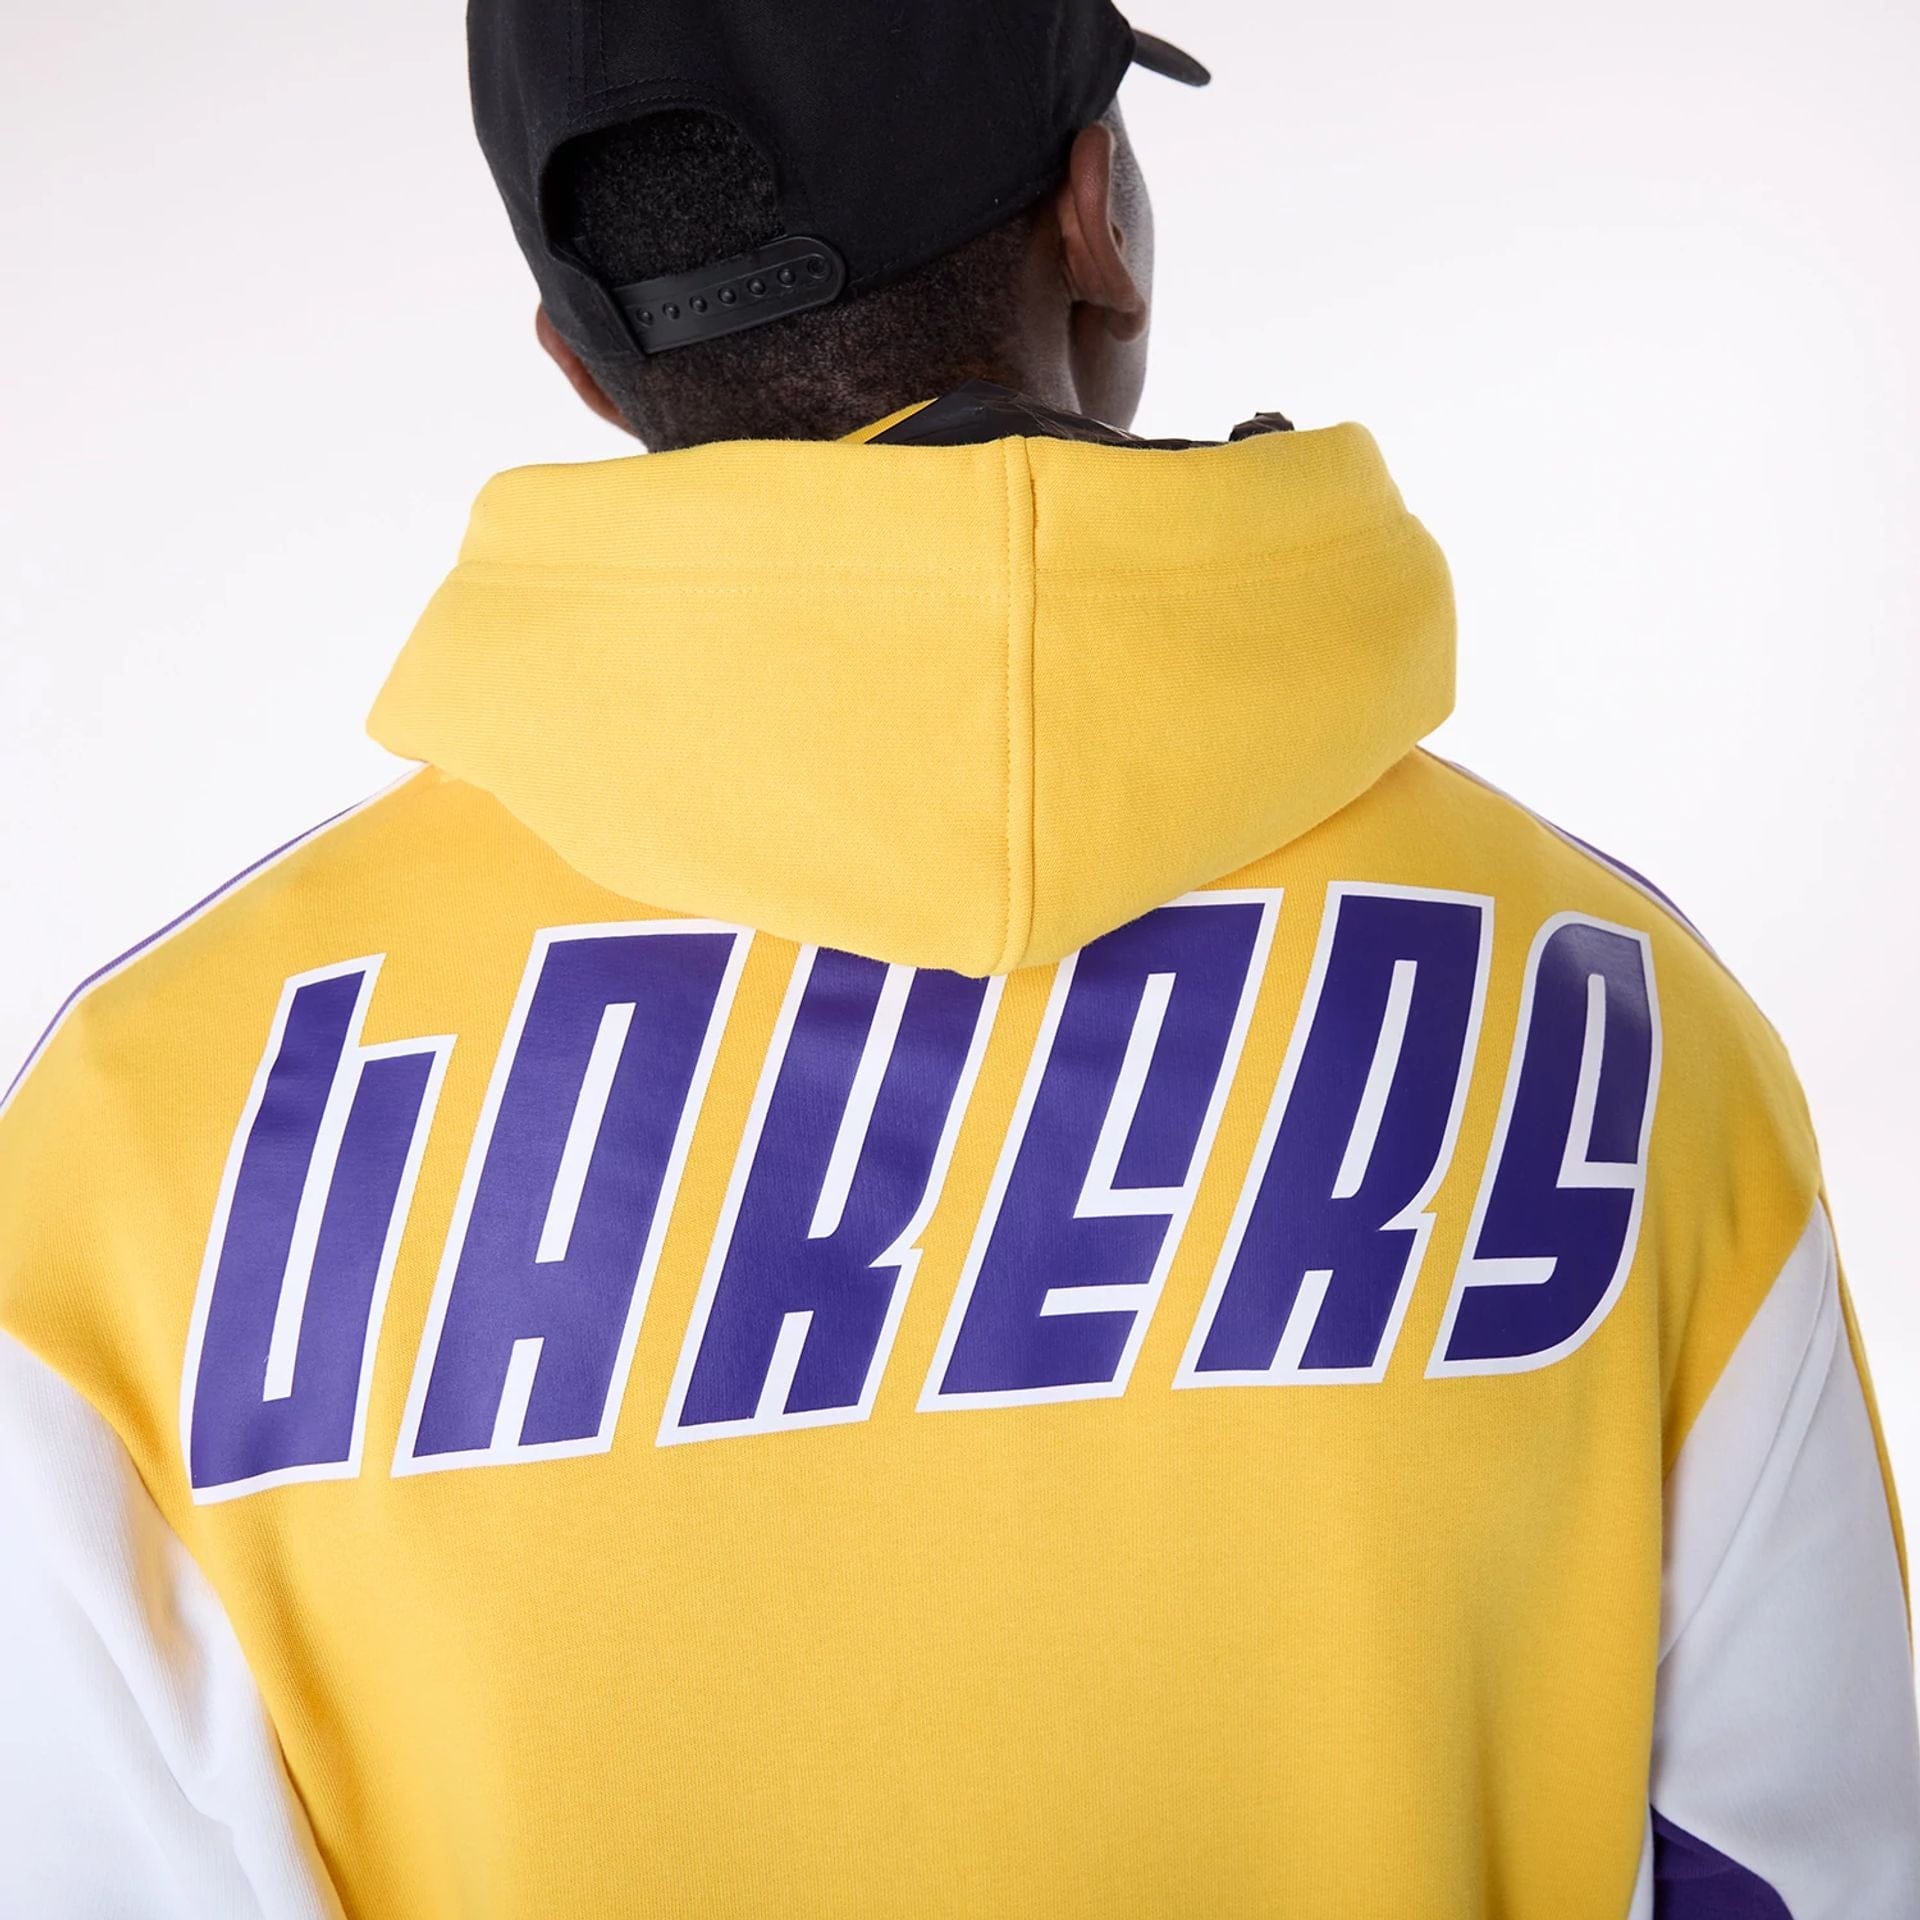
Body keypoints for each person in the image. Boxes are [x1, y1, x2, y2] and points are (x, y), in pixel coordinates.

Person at [1, 1, 1914, 1914]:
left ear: (575, 356)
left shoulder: (147, 1138)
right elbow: (1800, 1869)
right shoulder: (1615, 1029)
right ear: (1099, 217)